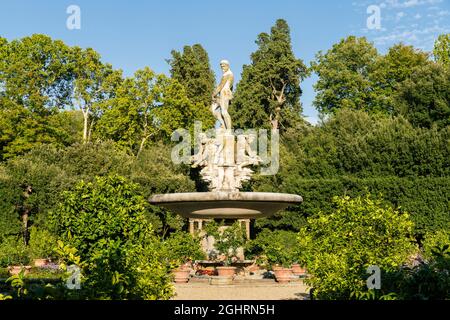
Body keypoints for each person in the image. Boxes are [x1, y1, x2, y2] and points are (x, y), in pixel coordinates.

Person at [211, 60, 234, 130]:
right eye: (221, 67)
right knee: (213, 109)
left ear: (227, 66)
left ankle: (229, 130)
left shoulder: (228, 74)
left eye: (223, 66)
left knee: (224, 112)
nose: (222, 68)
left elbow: (220, 86)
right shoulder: (227, 74)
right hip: (222, 94)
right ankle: (223, 124)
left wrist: (213, 94)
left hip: (224, 93)